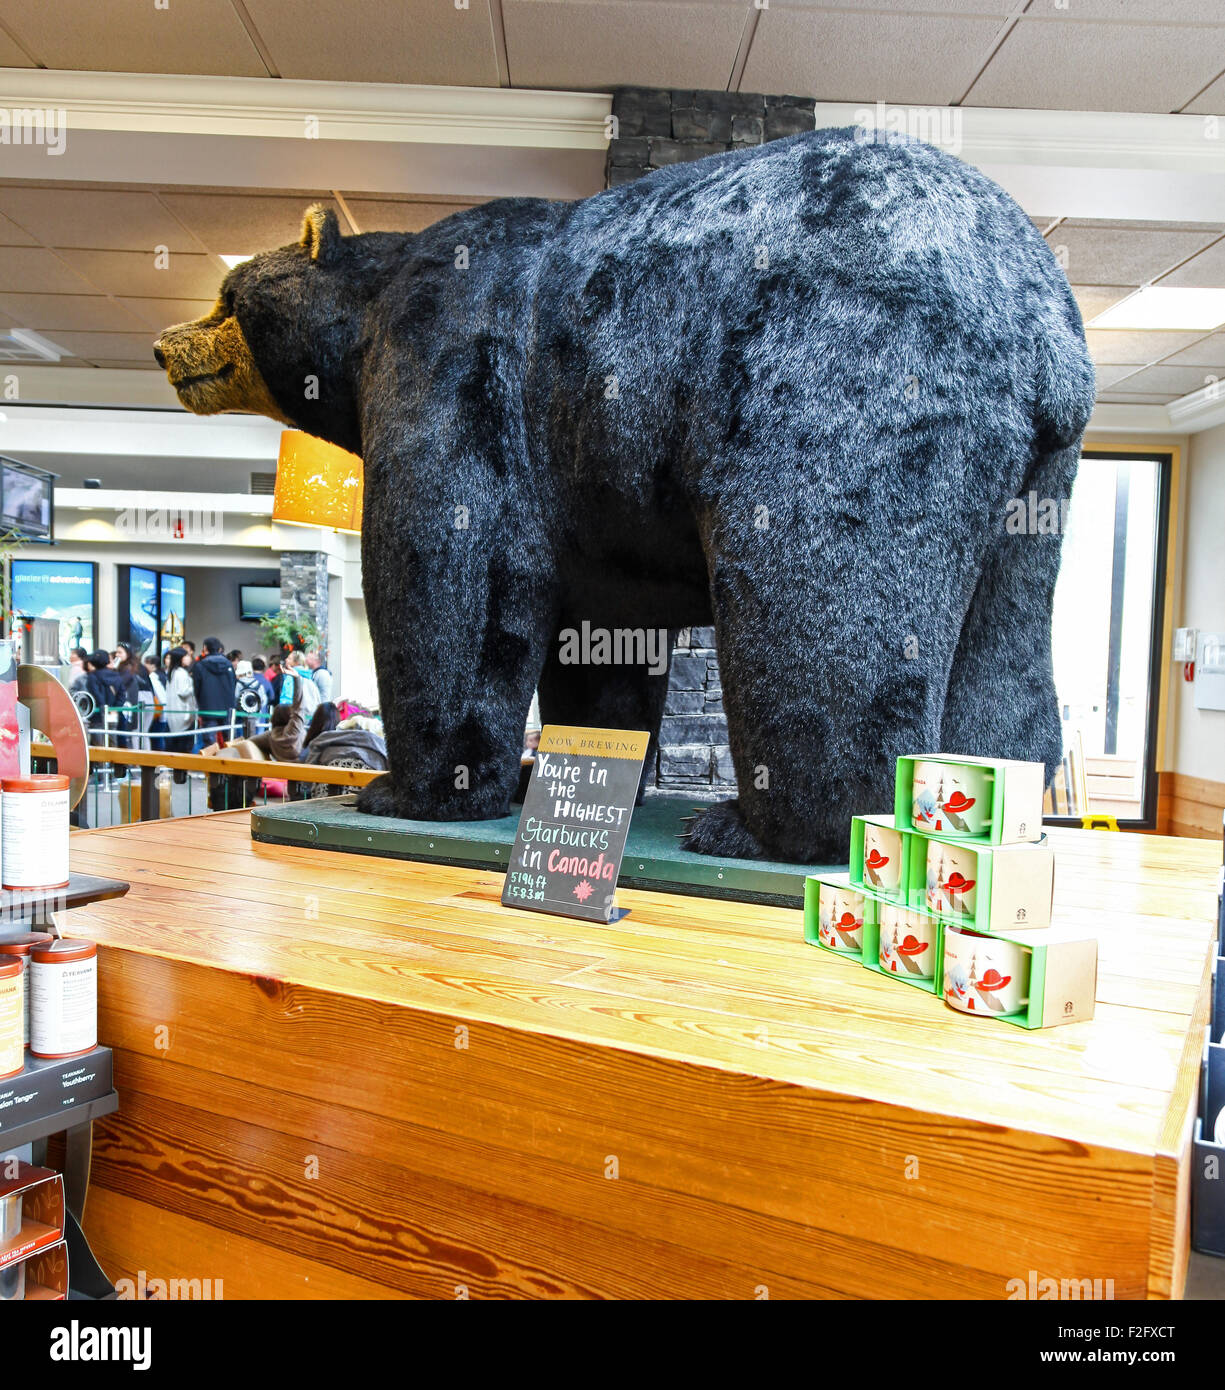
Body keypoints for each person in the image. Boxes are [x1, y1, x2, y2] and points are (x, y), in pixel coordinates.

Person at [192, 636, 237, 746]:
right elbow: (234, 684)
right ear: (219, 648)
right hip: (227, 708)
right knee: (230, 741)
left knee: (209, 742)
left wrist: (199, 705)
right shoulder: (228, 664)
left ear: (205, 648)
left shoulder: (200, 665)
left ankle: (210, 762)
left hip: (207, 708)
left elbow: (196, 688)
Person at [163, 646, 197, 748]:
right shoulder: (181, 673)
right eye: (186, 655)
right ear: (180, 658)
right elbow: (183, 692)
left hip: (173, 714)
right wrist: (195, 686)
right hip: (183, 714)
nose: (189, 657)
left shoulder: (172, 672)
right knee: (183, 746)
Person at [141, 654, 170, 752]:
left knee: (157, 738)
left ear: (153, 665)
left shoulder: (153, 676)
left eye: (147, 663)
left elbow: (160, 696)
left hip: (159, 711)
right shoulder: (163, 674)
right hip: (164, 711)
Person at [282, 650, 320, 720]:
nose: (286, 660)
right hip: (308, 714)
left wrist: (283, 712)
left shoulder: (290, 676)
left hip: (293, 715)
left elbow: (287, 697)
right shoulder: (309, 677)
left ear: (296, 662)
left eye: (289, 658)